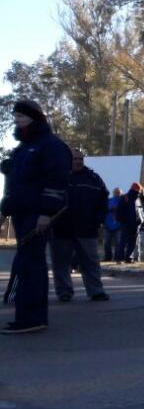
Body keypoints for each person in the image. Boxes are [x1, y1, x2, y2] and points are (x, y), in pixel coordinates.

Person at [1, 100, 71, 334]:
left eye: (22, 116)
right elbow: (16, 183)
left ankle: (32, 318)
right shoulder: (23, 148)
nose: (17, 120)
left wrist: (45, 214)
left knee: (31, 264)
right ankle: (26, 315)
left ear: (35, 118)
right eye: (16, 116)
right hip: (22, 213)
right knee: (25, 263)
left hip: (37, 214)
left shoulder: (50, 146)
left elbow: (56, 180)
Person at [50, 149, 110, 302]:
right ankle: (64, 292)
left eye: (80, 159)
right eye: (74, 159)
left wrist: (98, 219)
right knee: (61, 263)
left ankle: (96, 291)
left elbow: (104, 200)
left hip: (87, 229)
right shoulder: (58, 177)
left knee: (91, 262)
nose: (78, 161)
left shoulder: (94, 179)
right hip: (61, 229)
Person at [116, 183, 142, 264]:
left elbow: (139, 212)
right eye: (137, 190)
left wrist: (140, 220)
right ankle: (120, 258)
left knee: (132, 242)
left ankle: (128, 258)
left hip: (135, 225)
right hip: (126, 224)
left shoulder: (137, 199)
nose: (138, 192)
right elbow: (119, 211)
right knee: (124, 241)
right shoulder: (125, 197)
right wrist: (123, 221)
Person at [103, 187, 122, 262]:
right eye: (116, 192)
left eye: (119, 193)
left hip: (119, 226)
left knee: (118, 243)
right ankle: (108, 257)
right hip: (107, 225)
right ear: (113, 193)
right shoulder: (108, 201)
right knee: (106, 243)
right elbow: (104, 210)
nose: (118, 194)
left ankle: (117, 257)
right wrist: (111, 209)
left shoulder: (123, 201)